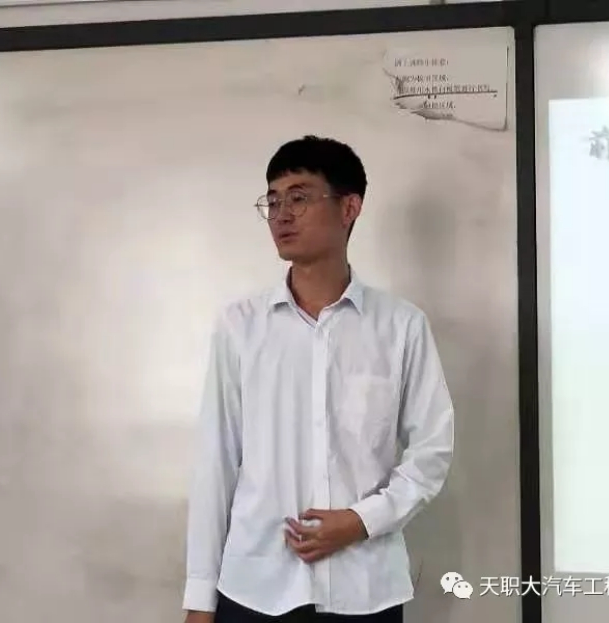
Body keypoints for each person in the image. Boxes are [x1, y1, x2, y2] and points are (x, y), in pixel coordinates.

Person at [183, 135, 454, 623]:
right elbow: (215, 463)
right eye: (273, 201)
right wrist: (200, 598)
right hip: (256, 588)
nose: (281, 215)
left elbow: (432, 449)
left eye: (300, 197)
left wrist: (360, 521)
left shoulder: (400, 326)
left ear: (349, 207)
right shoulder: (240, 326)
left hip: (365, 588)